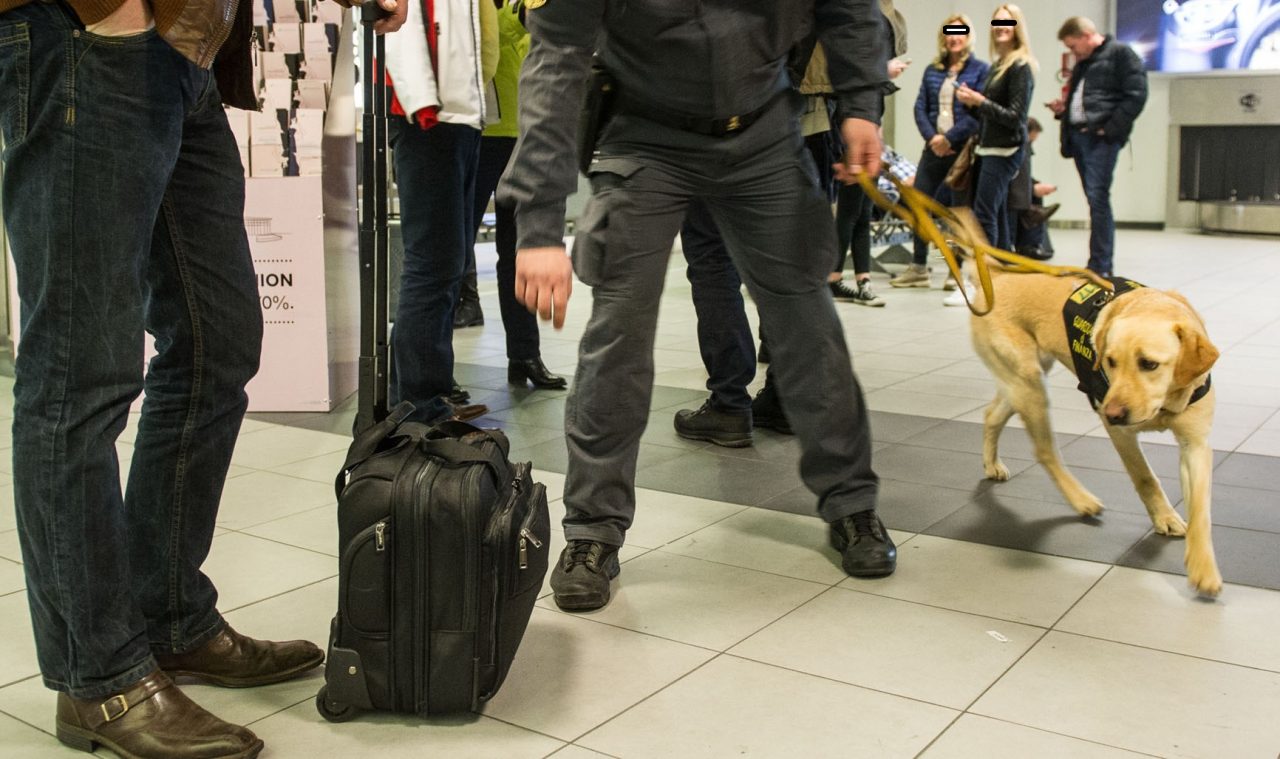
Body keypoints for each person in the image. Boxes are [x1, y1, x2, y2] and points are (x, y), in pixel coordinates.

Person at [0, 0, 402, 755]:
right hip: (89, 36)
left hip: (185, 52)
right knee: (79, 370)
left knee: (219, 341)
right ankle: (98, 677)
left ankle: (170, 617)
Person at [500, 0, 898, 613]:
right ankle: (592, 530)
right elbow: (556, 61)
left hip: (765, 133)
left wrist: (862, 107)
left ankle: (852, 502)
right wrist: (539, 223)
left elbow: (849, 10)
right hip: (643, 137)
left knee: (807, 324)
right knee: (618, 333)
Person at [381, 0, 497, 423]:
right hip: (431, 121)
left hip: (460, 118)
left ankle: (416, 396)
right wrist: (422, 103)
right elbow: (398, 27)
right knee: (432, 265)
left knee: (445, 264)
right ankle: (419, 405)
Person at [463, 0, 566, 391]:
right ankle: (431, 373)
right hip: (478, 132)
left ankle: (524, 355)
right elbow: (496, 33)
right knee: (452, 251)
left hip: (523, 133)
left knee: (518, 252)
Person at [891, 13, 989, 290]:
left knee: (954, 212)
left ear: (968, 36)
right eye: (949, 32)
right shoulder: (932, 70)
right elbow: (920, 107)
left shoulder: (980, 70)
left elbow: (978, 114)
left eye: (960, 32)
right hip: (933, 149)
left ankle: (955, 271)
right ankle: (919, 267)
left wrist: (949, 138)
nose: (954, 37)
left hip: (961, 152)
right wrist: (933, 137)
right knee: (919, 205)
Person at [1048, 16, 1148, 277]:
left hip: (1100, 140)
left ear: (1085, 35)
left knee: (1098, 199)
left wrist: (1110, 128)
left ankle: (1100, 266)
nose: (1073, 52)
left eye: (1073, 46)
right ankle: (1098, 263)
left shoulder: (1121, 54)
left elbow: (1137, 95)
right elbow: (1086, 99)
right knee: (1094, 199)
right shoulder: (1085, 62)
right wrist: (1064, 111)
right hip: (1079, 137)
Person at [951, 2, 1036, 306]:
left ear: (1017, 27)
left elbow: (1015, 116)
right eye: (997, 22)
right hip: (990, 147)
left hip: (1005, 149)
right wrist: (971, 102)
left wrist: (979, 101)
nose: (1001, 28)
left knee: (984, 214)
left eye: (1007, 22)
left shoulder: (1021, 66)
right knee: (995, 215)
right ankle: (1002, 283)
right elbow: (992, 112)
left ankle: (981, 283)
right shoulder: (999, 65)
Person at [1011, 117, 1060, 259]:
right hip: (1014, 193)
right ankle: (1031, 245)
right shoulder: (1021, 147)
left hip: (1017, 188)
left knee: (1033, 193)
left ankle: (1032, 244)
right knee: (1032, 197)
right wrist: (1033, 188)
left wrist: (1033, 185)